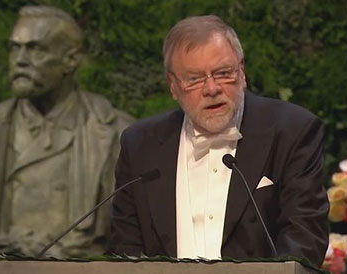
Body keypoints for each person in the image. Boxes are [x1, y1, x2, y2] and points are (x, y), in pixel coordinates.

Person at [107, 15, 329, 266]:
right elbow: (124, 250)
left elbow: (304, 237)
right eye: (194, 79)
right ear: (173, 86)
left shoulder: (292, 131)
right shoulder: (140, 145)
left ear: (242, 72)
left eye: (223, 73)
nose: (211, 88)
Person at [0, 5, 133, 271]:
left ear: (71, 60)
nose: (20, 60)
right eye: (14, 48)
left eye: (35, 49)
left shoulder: (119, 136)